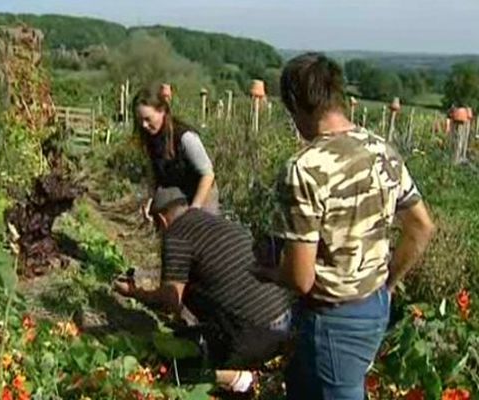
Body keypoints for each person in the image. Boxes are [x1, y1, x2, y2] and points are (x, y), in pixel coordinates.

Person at [271, 53, 435, 400]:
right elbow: (421, 227)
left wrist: (266, 271)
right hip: (373, 305)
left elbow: (301, 279)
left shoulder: (304, 168)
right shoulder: (382, 150)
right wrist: (388, 284)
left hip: (332, 318)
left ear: (296, 104)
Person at [114, 187, 294, 396]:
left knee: (174, 369)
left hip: (255, 333)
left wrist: (135, 293)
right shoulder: (215, 222)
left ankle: (239, 378)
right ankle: (253, 367)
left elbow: (170, 302)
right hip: (287, 321)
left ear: (162, 220)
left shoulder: (176, 234)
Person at [132, 87, 220, 216]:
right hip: (177, 190)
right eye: (140, 120)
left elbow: (208, 174)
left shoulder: (186, 137)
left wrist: (195, 208)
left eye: (148, 119)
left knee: (201, 230)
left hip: (202, 190)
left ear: (162, 111)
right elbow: (153, 172)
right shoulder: (151, 138)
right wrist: (149, 200)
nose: (144, 125)